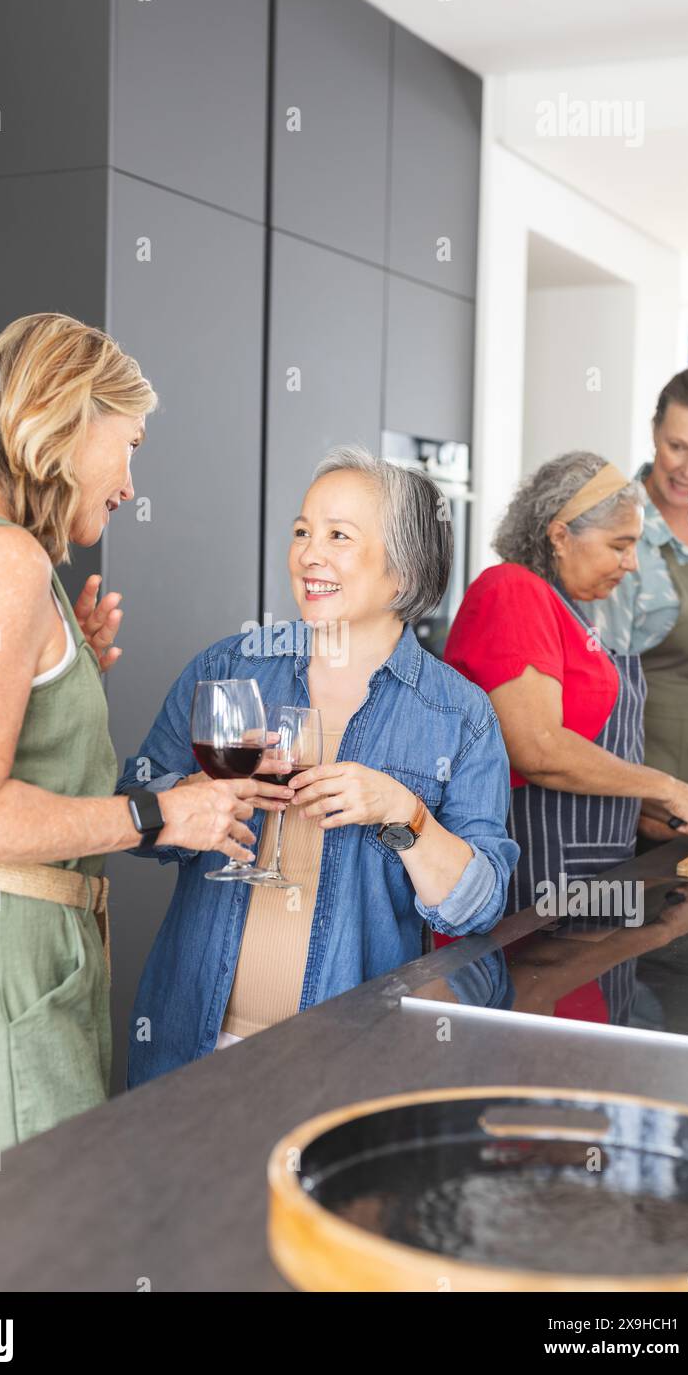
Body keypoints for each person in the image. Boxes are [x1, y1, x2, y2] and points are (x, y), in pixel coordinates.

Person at [0, 312, 262, 1214]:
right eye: (128, 445)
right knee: (18, 1249)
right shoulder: (2, 561)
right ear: (66, 421)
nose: (129, 481)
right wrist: (162, 814)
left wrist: (50, 666)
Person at [119, 445, 519, 1083]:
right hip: (189, 1049)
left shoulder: (459, 715)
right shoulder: (229, 667)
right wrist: (200, 794)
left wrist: (404, 814)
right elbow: (134, 815)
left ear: (403, 573)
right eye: (302, 532)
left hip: (351, 1067)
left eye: (339, 536)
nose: (309, 553)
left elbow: (477, 906)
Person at [444, 452, 688, 917]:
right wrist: (670, 789)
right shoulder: (513, 590)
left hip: (591, 874)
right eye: (620, 545)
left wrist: (656, 816)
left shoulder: (571, 612)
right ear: (560, 535)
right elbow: (538, 749)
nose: (631, 564)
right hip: (537, 871)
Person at [580, 367, 688, 839]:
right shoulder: (615, 533)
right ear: (653, 432)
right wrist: (647, 806)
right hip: (661, 799)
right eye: (677, 446)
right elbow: (592, 686)